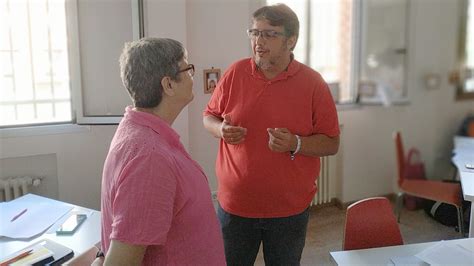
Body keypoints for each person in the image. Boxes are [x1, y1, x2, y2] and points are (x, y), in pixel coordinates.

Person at [203, 4, 340, 265]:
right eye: (254, 33)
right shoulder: (234, 73)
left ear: (291, 40)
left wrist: (296, 143)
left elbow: (332, 143)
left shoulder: (313, 84)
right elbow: (208, 116)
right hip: (235, 205)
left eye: (269, 34)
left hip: (289, 210)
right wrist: (220, 129)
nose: (258, 41)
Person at [96, 38, 225, 265]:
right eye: (187, 69)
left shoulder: (139, 131)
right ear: (169, 85)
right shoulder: (150, 157)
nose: (192, 76)